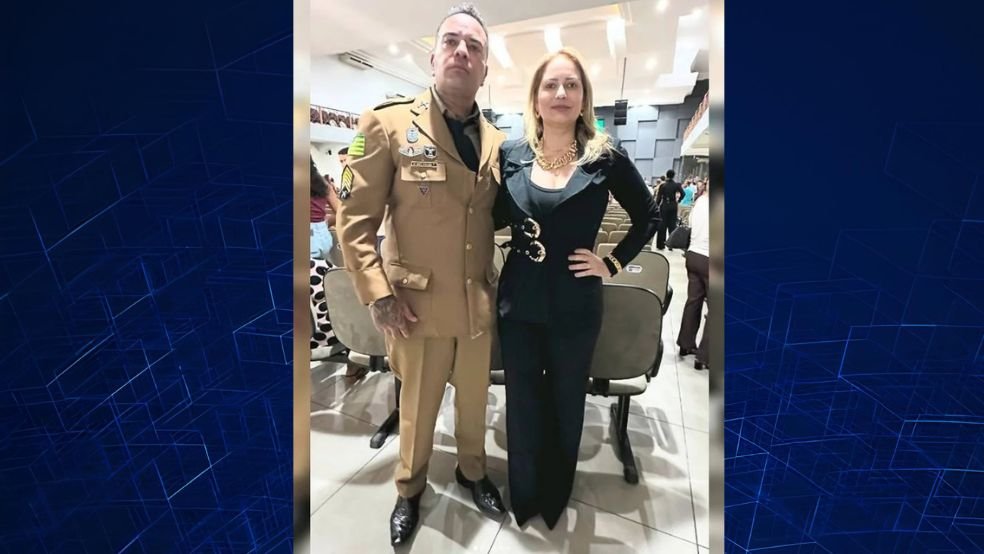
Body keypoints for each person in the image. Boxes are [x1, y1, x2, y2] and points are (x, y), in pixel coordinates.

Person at [336, 3, 506, 546]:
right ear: (433, 57)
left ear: (484, 69)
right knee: (417, 407)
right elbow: (353, 222)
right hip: (415, 305)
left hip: (477, 302)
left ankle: (473, 471)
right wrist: (377, 295)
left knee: (475, 402)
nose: (462, 52)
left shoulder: (497, 141)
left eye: (474, 47)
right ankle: (409, 487)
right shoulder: (386, 124)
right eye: (451, 42)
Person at [493, 47, 659, 529]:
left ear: (584, 97)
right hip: (519, 302)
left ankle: (554, 498)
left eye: (571, 85)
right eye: (551, 85)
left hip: (576, 304)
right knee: (522, 403)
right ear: (536, 98)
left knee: (567, 402)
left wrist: (611, 262)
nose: (561, 93)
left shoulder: (604, 156)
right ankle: (524, 495)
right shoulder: (511, 154)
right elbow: (489, 215)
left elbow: (648, 216)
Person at [678, 182, 710, 369]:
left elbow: (690, 224)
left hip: (693, 255)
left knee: (693, 301)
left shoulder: (700, 202)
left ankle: (686, 344)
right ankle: (705, 356)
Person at [654, 169, 684, 250]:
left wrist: (656, 206)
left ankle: (661, 245)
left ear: (667, 175)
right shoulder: (676, 185)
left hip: (664, 205)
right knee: (672, 225)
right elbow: (683, 194)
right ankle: (671, 245)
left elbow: (659, 197)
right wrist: (678, 200)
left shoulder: (663, 185)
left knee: (662, 225)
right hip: (673, 205)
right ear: (674, 176)